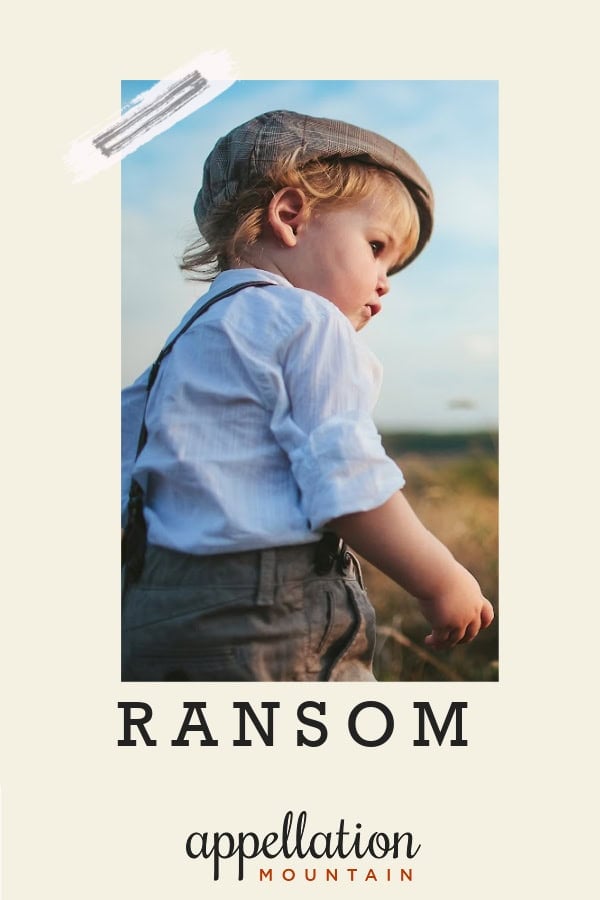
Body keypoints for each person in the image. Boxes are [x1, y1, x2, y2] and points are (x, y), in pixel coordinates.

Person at [121, 109, 494, 682]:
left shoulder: (182, 345)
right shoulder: (309, 321)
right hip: (269, 617)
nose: (384, 281)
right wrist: (442, 579)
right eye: (376, 246)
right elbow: (349, 480)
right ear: (290, 216)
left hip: (152, 613)